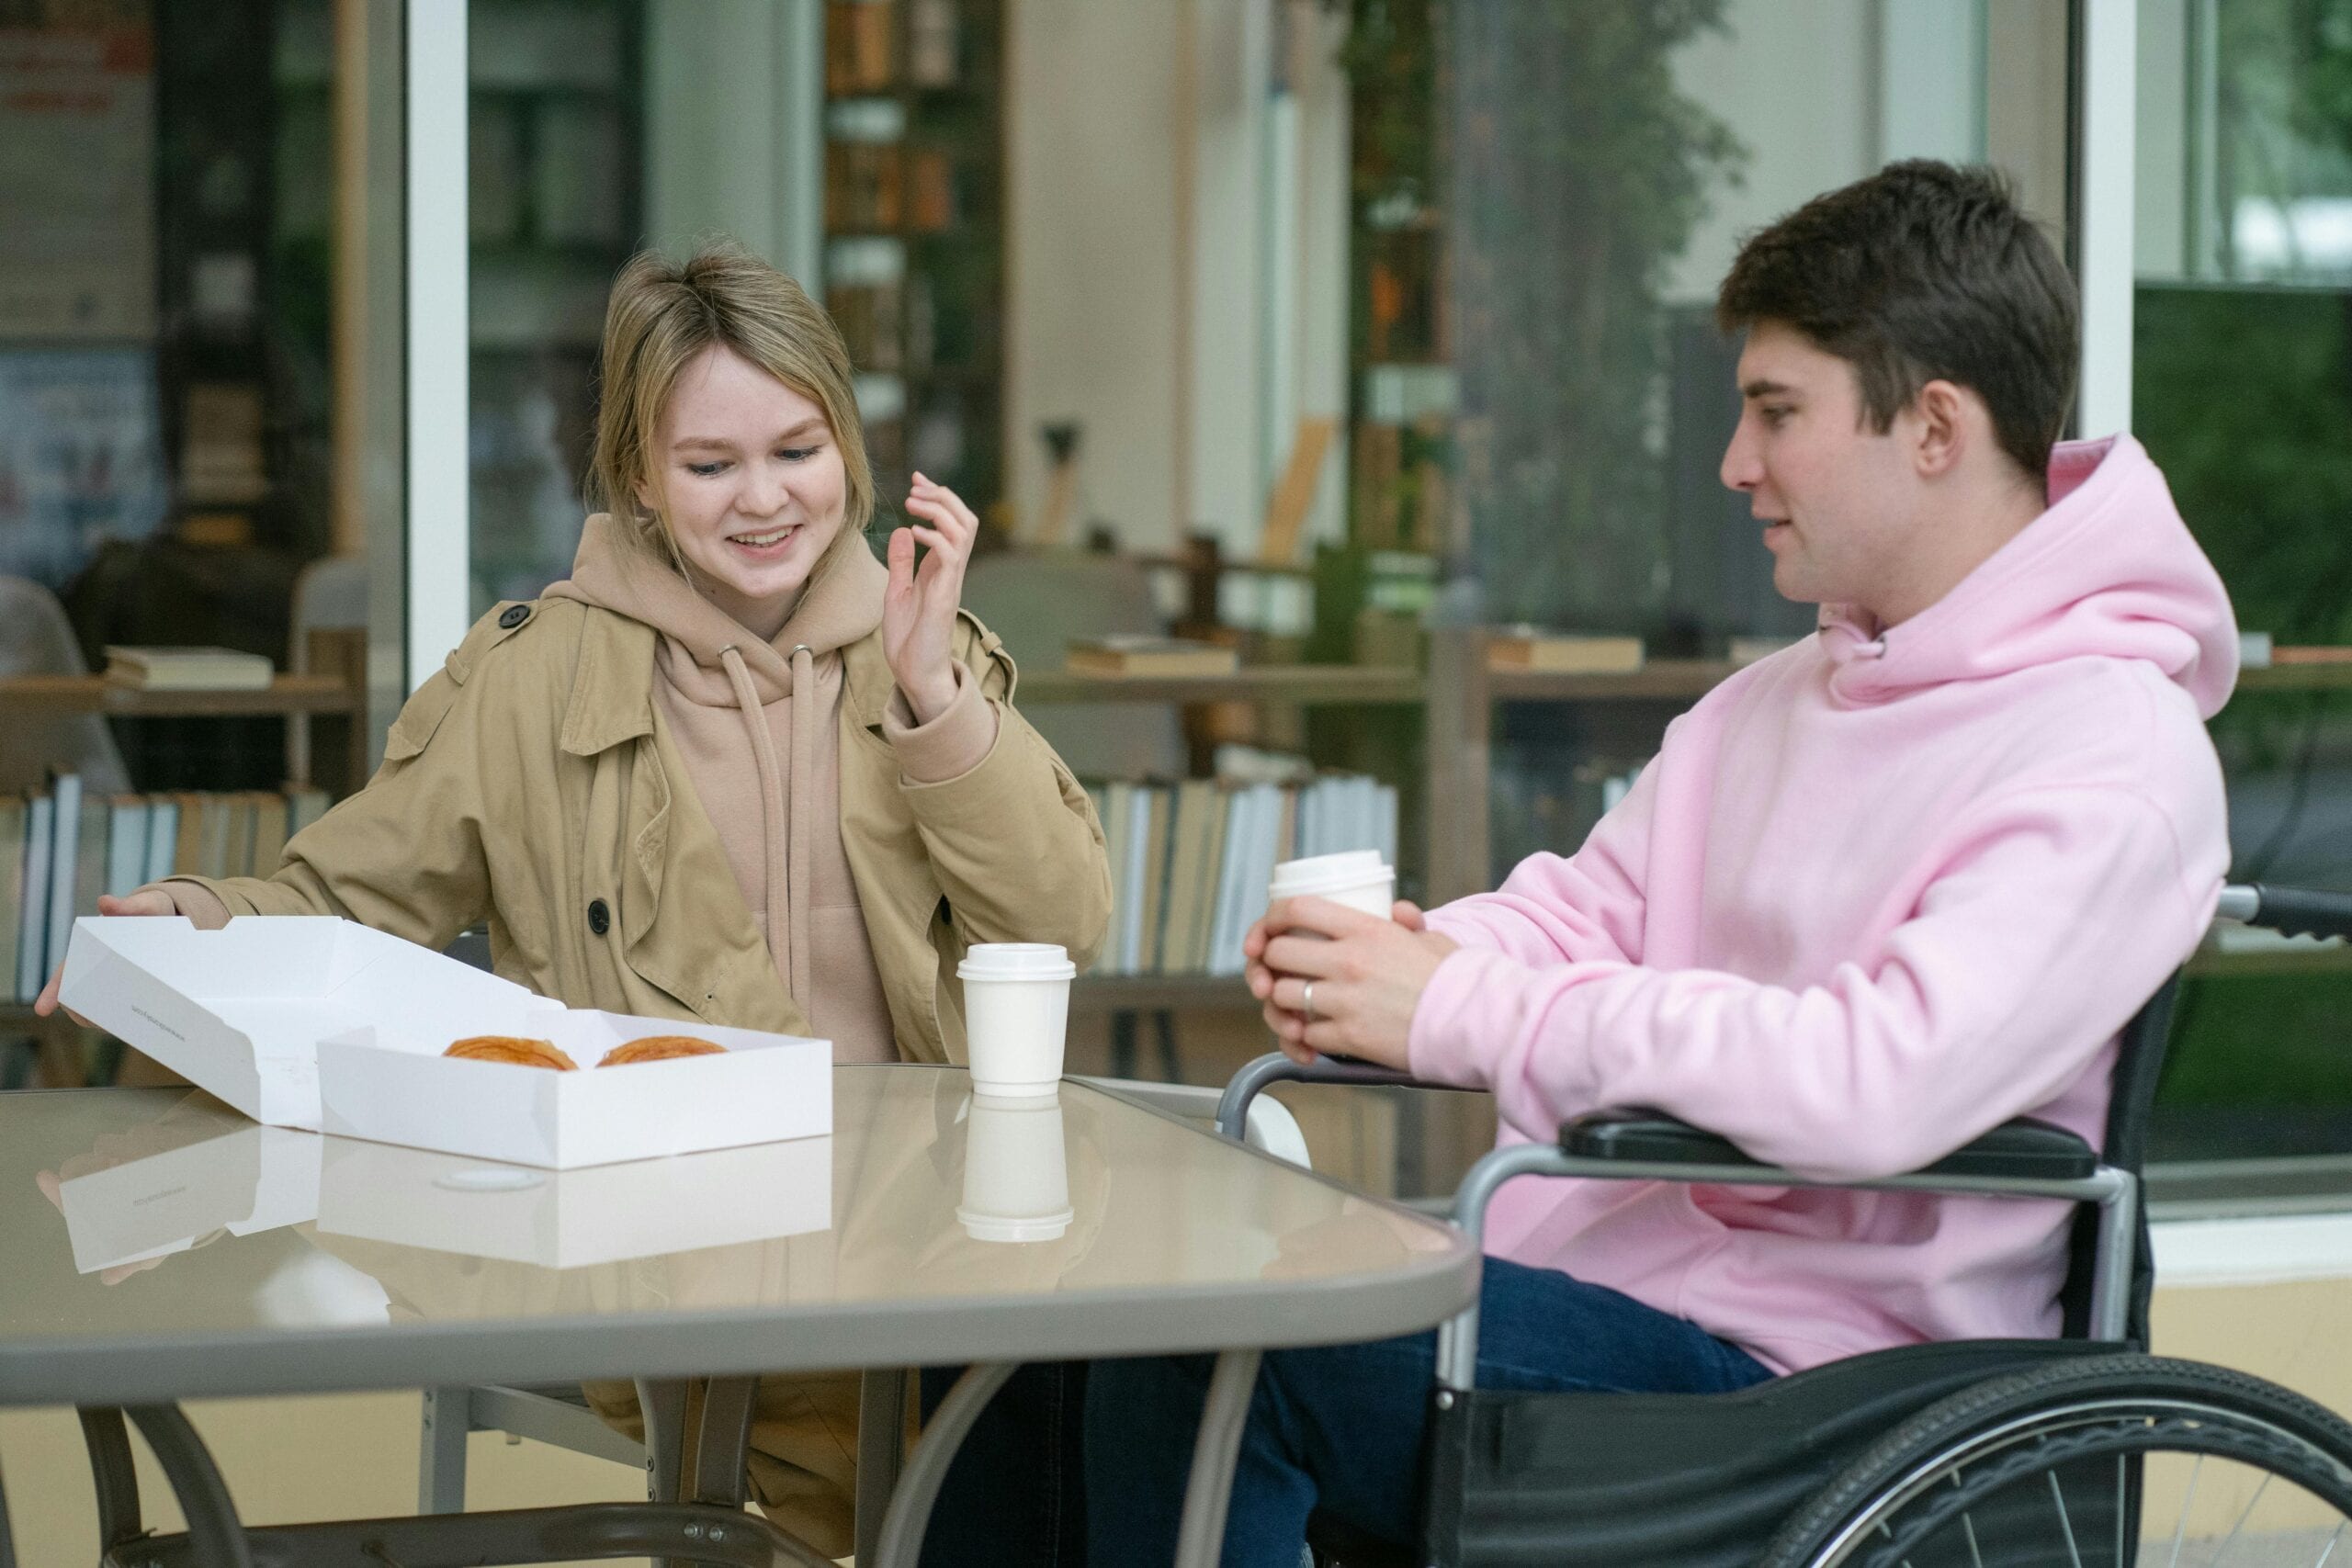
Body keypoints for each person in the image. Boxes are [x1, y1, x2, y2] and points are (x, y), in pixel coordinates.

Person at [1082, 161, 2237, 1564]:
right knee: (1077, 1328)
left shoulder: (2112, 752)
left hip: (1821, 1389)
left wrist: (1457, 1010)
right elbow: (1581, 914)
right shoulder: (1770, 704)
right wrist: (1389, 966)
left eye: (1775, 413)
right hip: (1598, 1295)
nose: (1735, 464)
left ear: (1935, 426)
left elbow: (1874, 1081)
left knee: (1223, 1338)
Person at [37, 239, 1112, 1561]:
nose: (764, 499)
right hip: (664, 1266)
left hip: (925, 1249)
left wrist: (936, 701)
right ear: (641, 478)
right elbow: (336, 902)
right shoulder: (530, 681)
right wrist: (196, 925)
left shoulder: (927, 646)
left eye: (798, 449)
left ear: (849, 444)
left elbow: (1064, 926)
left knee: (1106, 1401)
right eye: (711, 465)